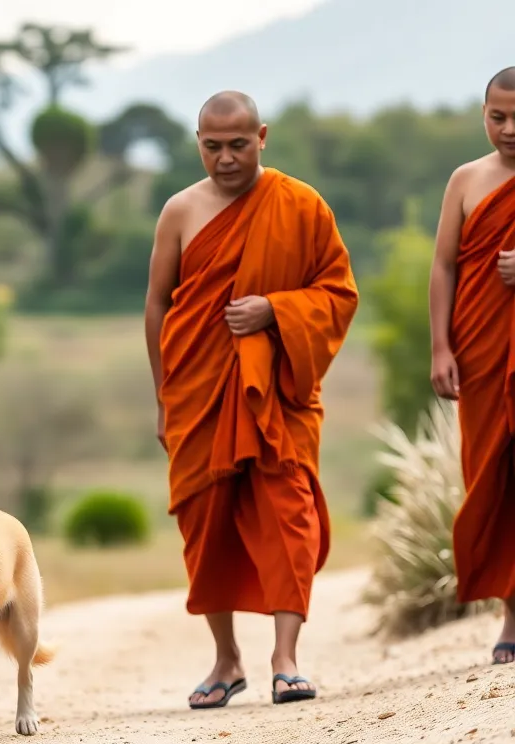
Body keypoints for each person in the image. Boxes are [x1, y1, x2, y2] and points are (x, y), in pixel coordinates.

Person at [144, 92, 359, 709]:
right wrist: (163, 395)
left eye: (239, 144)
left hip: (277, 398)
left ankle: (285, 658)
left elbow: (339, 294)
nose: (226, 158)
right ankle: (225, 659)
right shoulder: (180, 212)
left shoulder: (300, 205)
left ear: (262, 136)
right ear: (198, 143)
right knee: (204, 522)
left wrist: (276, 310)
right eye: (212, 146)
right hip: (198, 392)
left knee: (289, 514)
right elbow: (159, 304)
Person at [428, 67, 515, 665]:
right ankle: (512, 615)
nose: (509, 130)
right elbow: (443, 269)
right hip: (482, 354)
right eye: (498, 116)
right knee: (494, 482)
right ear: (482, 114)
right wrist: (440, 347)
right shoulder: (466, 181)